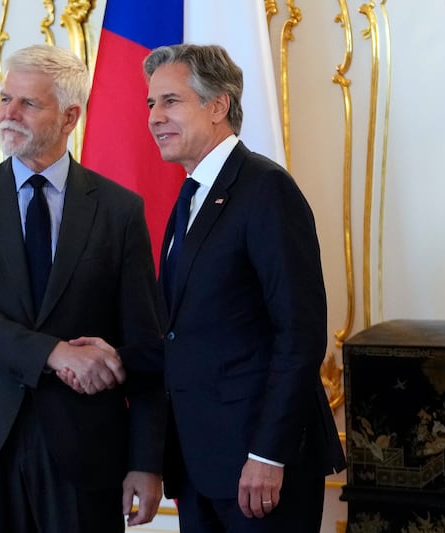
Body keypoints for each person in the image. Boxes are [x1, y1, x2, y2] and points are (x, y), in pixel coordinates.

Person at [0, 44, 166, 533]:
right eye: (5, 97)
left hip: (88, 443)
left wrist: (146, 461)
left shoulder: (119, 211)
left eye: (28, 103)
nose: (9, 113)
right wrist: (55, 353)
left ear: (70, 116)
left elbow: (145, 343)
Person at [144, 44, 347, 532]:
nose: (154, 118)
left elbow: (298, 334)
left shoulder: (265, 188)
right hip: (198, 464)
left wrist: (267, 453)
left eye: (170, 101)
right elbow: (183, 330)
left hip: (259, 467)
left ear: (218, 106)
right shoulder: (189, 196)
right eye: (150, 104)